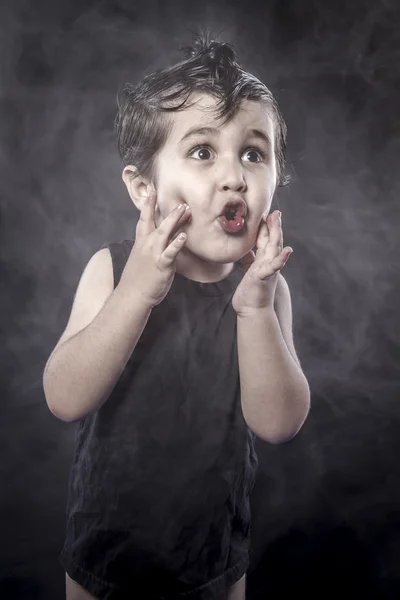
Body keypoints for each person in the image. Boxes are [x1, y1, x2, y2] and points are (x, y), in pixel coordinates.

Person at [43, 32, 310, 600]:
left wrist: (255, 309)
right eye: (202, 151)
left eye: (254, 153)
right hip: (103, 557)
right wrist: (137, 290)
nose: (235, 175)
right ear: (145, 190)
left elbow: (278, 422)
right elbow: (64, 397)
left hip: (214, 561)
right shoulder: (112, 270)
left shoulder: (264, 291)